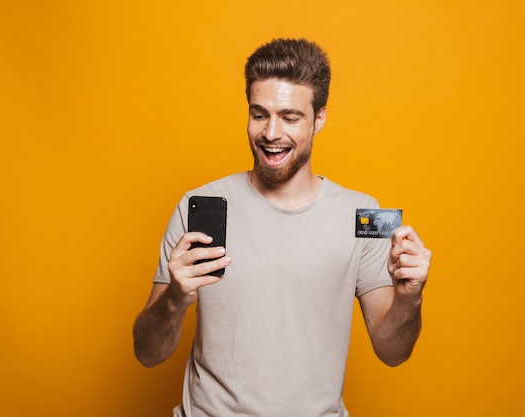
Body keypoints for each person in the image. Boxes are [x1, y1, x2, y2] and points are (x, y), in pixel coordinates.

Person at [133, 38, 432, 417]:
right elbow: (147, 353)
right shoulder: (200, 208)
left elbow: (393, 352)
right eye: (260, 115)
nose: (271, 133)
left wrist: (410, 297)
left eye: (290, 117)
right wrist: (175, 297)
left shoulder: (362, 215)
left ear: (319, 118)